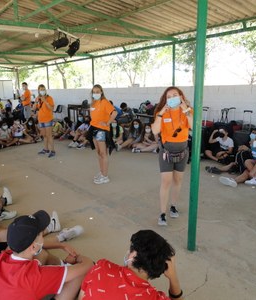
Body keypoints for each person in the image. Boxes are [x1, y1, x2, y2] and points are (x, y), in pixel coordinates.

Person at [0, 211, 93, 300]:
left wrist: (61, 245)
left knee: (41, 253)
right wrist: (78, 258)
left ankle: (64, 266)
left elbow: (36, 247)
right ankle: (65, 269)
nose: (43, 237)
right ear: (33, 247)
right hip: (33, 280)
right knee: (80, 274)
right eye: (42, 234)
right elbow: (87, 265)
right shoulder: (37, 276)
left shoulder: (3, 257)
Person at [79, 230, 183, 300]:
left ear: (133, 255)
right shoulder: (153, 297)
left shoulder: (101, 267)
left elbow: (81, 297)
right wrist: (173, 278)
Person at [151, 86, 193, 226]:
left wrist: (186, 110)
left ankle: (173, 206)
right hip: (166, 152)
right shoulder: (161, 112)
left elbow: (194, 127)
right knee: (166, 181)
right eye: (169, 96)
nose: (172, 98)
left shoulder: (187, 110)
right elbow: (155, 130)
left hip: (182, 151)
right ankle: (162, 213)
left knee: (178, 180)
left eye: (175, 95)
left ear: (181, 96)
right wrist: (161, 114)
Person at [87, 84, 117, 184]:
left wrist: (107, 123)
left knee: (103, 153)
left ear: (101, 92)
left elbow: (114, 113)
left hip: (101, 130)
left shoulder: (104, 102)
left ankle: (105, 176)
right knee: (99, 153)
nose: (96, 94)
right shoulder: (93, 104)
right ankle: (102, 172)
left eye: (98, 92)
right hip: (93, 129)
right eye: (94, 92)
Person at [34, 84, 56, 158]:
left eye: (43, 89)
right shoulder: (38, 98)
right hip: (41, 119)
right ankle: (46, 149)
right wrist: (36, 102)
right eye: (41, 89)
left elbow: (52, 108)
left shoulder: (49, 98)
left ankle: (52, 150)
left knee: (49, 135)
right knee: (44, 135)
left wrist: (45, 101)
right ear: (38, 91)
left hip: (48, 119)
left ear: (45, 90)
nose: (42, 91)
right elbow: (34, 108)